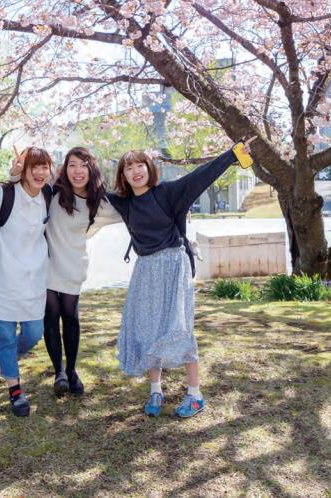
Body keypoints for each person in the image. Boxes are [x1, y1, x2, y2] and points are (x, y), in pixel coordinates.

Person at [107, 138, 255, 418]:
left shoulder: (168, 192)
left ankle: (195, 395)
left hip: (174, 264)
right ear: (123, 175)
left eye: (140, 165)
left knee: (179, 327)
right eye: (129, 168)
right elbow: (87, 192)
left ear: (149, 167)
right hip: (145, 269)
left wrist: (232, 155)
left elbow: (201, 176)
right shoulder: (123, 203)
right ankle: (155, 390)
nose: (136, 171)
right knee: (147, 328)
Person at [42, 147, 122, 396]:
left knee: (71, 317)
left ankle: (72, 370)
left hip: (73, 265)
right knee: (50, 318)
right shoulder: (53, 191)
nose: (78, 171)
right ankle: (59, 372)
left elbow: (130, 211)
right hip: (45, 264)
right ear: (64, 168)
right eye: (72, 165)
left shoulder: (98, 201)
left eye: (83, 165)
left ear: (91, 169)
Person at [0, 146, 52, 417]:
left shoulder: (48, 194)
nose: (40, 172)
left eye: (44, 167)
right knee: (6, 335)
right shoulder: (4, 194)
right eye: (34, 167)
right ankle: (15, 388)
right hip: (2, 278)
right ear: (23, 169)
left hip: (34, 279)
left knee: (34, 333)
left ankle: (10, 355)